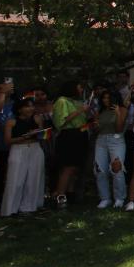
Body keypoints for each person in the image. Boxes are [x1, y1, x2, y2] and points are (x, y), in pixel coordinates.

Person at [1, 98, 47, 216]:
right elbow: (8, 140)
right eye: (27, 106)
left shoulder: (37, 118)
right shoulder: (11, 122)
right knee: (16, 179)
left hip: (35, 148)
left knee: (34, 178)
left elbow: (42, 135)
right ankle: (10, 209)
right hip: (18, 149)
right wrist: (25, 137)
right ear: (19, 109)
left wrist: (38, 132)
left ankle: (29, 207)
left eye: (32, 106)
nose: (31, 109)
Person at [51, 81, 91, 209]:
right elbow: (60, 122)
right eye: (79, 87)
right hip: (68, 136)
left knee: (75, 168)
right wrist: (80, 111)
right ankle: (60, 195)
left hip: (80, 134)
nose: (80, 90)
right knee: (68, 167)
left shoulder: (75, 101)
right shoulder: (61, 101)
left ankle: (71, 193)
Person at [92, 90, 127, 209]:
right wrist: (95, 126)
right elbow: (96, 131)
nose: (105, 100)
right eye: (104, 98)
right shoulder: (100, 111)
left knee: (117, 168)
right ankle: (105, 198)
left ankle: (119, 198)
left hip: (116, 139)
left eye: (108, 98)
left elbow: (119, 128)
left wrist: (118, 114)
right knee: (100, 169)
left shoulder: (122, 109)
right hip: (101, 140)